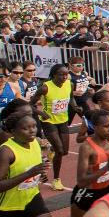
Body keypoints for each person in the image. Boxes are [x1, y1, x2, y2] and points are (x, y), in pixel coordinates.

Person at [30, 62, 73, 190]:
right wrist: (41, 113)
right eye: (61, 75)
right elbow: (30, 105)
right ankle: (56, 180)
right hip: (48, 122)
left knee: (64, 151)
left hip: (63, 120)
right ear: (54, 75)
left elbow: (71, 98)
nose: (65, 77)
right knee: (59, 150)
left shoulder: (69, 84)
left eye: (66, 74)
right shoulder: (45, 88)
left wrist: (75, 106)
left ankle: (49, 151)